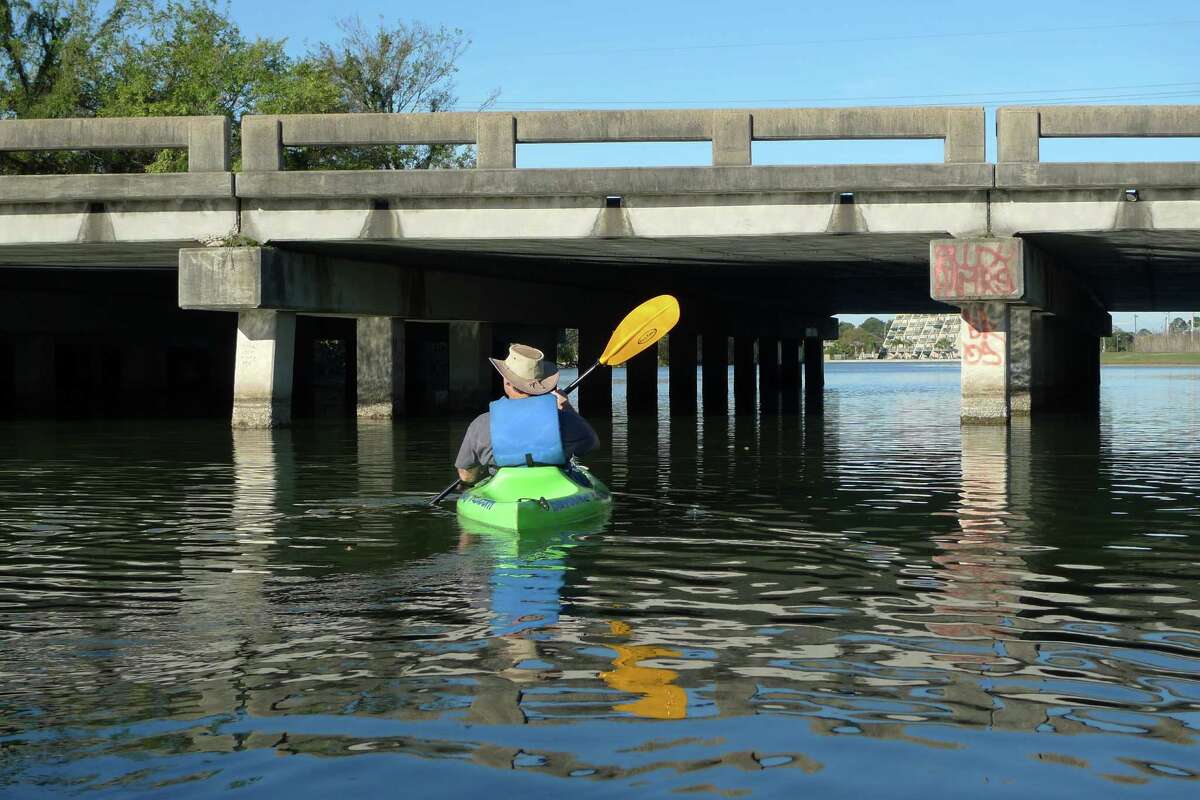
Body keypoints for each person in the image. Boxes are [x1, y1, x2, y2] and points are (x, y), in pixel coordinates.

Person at [454, 343, 599, 485]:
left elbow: (466, 476)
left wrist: (479, 471)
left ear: (507, 383)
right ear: (542, 385)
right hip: (554, 487)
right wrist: (565, 406)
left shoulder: (481, 424)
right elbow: (592, 444)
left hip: (504, 488)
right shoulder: (565, 420)